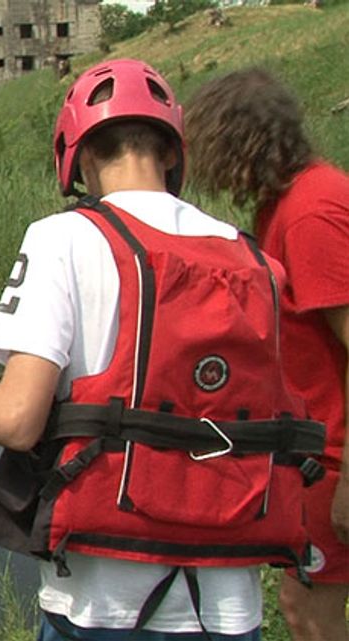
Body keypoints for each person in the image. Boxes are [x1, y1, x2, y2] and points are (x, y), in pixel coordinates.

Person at [0, 58, 325, 640]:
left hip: (103, 601)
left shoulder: (62, 238)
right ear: (174, 152)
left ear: (74, 154)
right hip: (230, 606)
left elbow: (17, 420)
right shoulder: (250, 257)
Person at [185, 67, 349, 641]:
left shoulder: (310, 213)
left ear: (239, 141)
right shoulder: (289, 201)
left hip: (335, 457)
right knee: (302, 605)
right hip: (314, 454)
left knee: (311, 617)